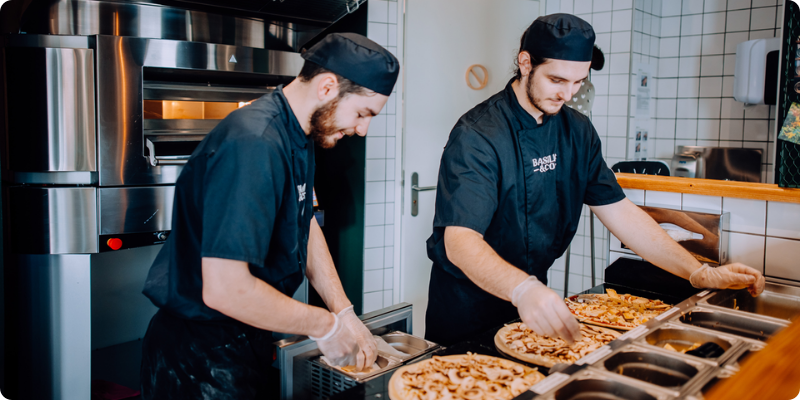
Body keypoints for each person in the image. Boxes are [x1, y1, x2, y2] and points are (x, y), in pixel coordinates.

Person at [424, 14, 765, 347]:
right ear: (525, 62)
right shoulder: (478, 135)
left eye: (579, 82)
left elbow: (621, 212)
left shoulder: (578, 131)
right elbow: (460, 242)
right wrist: (523, 289)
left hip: (532, 303)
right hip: (466, 308)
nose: (569, 94)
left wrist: (696, 272)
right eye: (557, 80)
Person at [139, 33, 399, 398]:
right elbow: (225, 289)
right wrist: (323, 325)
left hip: (246, 341)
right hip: (198, 359)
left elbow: (303, 220)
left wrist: (344, 312)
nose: (362, 129)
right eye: (362, 113)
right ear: (327, 87)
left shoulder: (301, 134)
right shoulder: (254, 143)